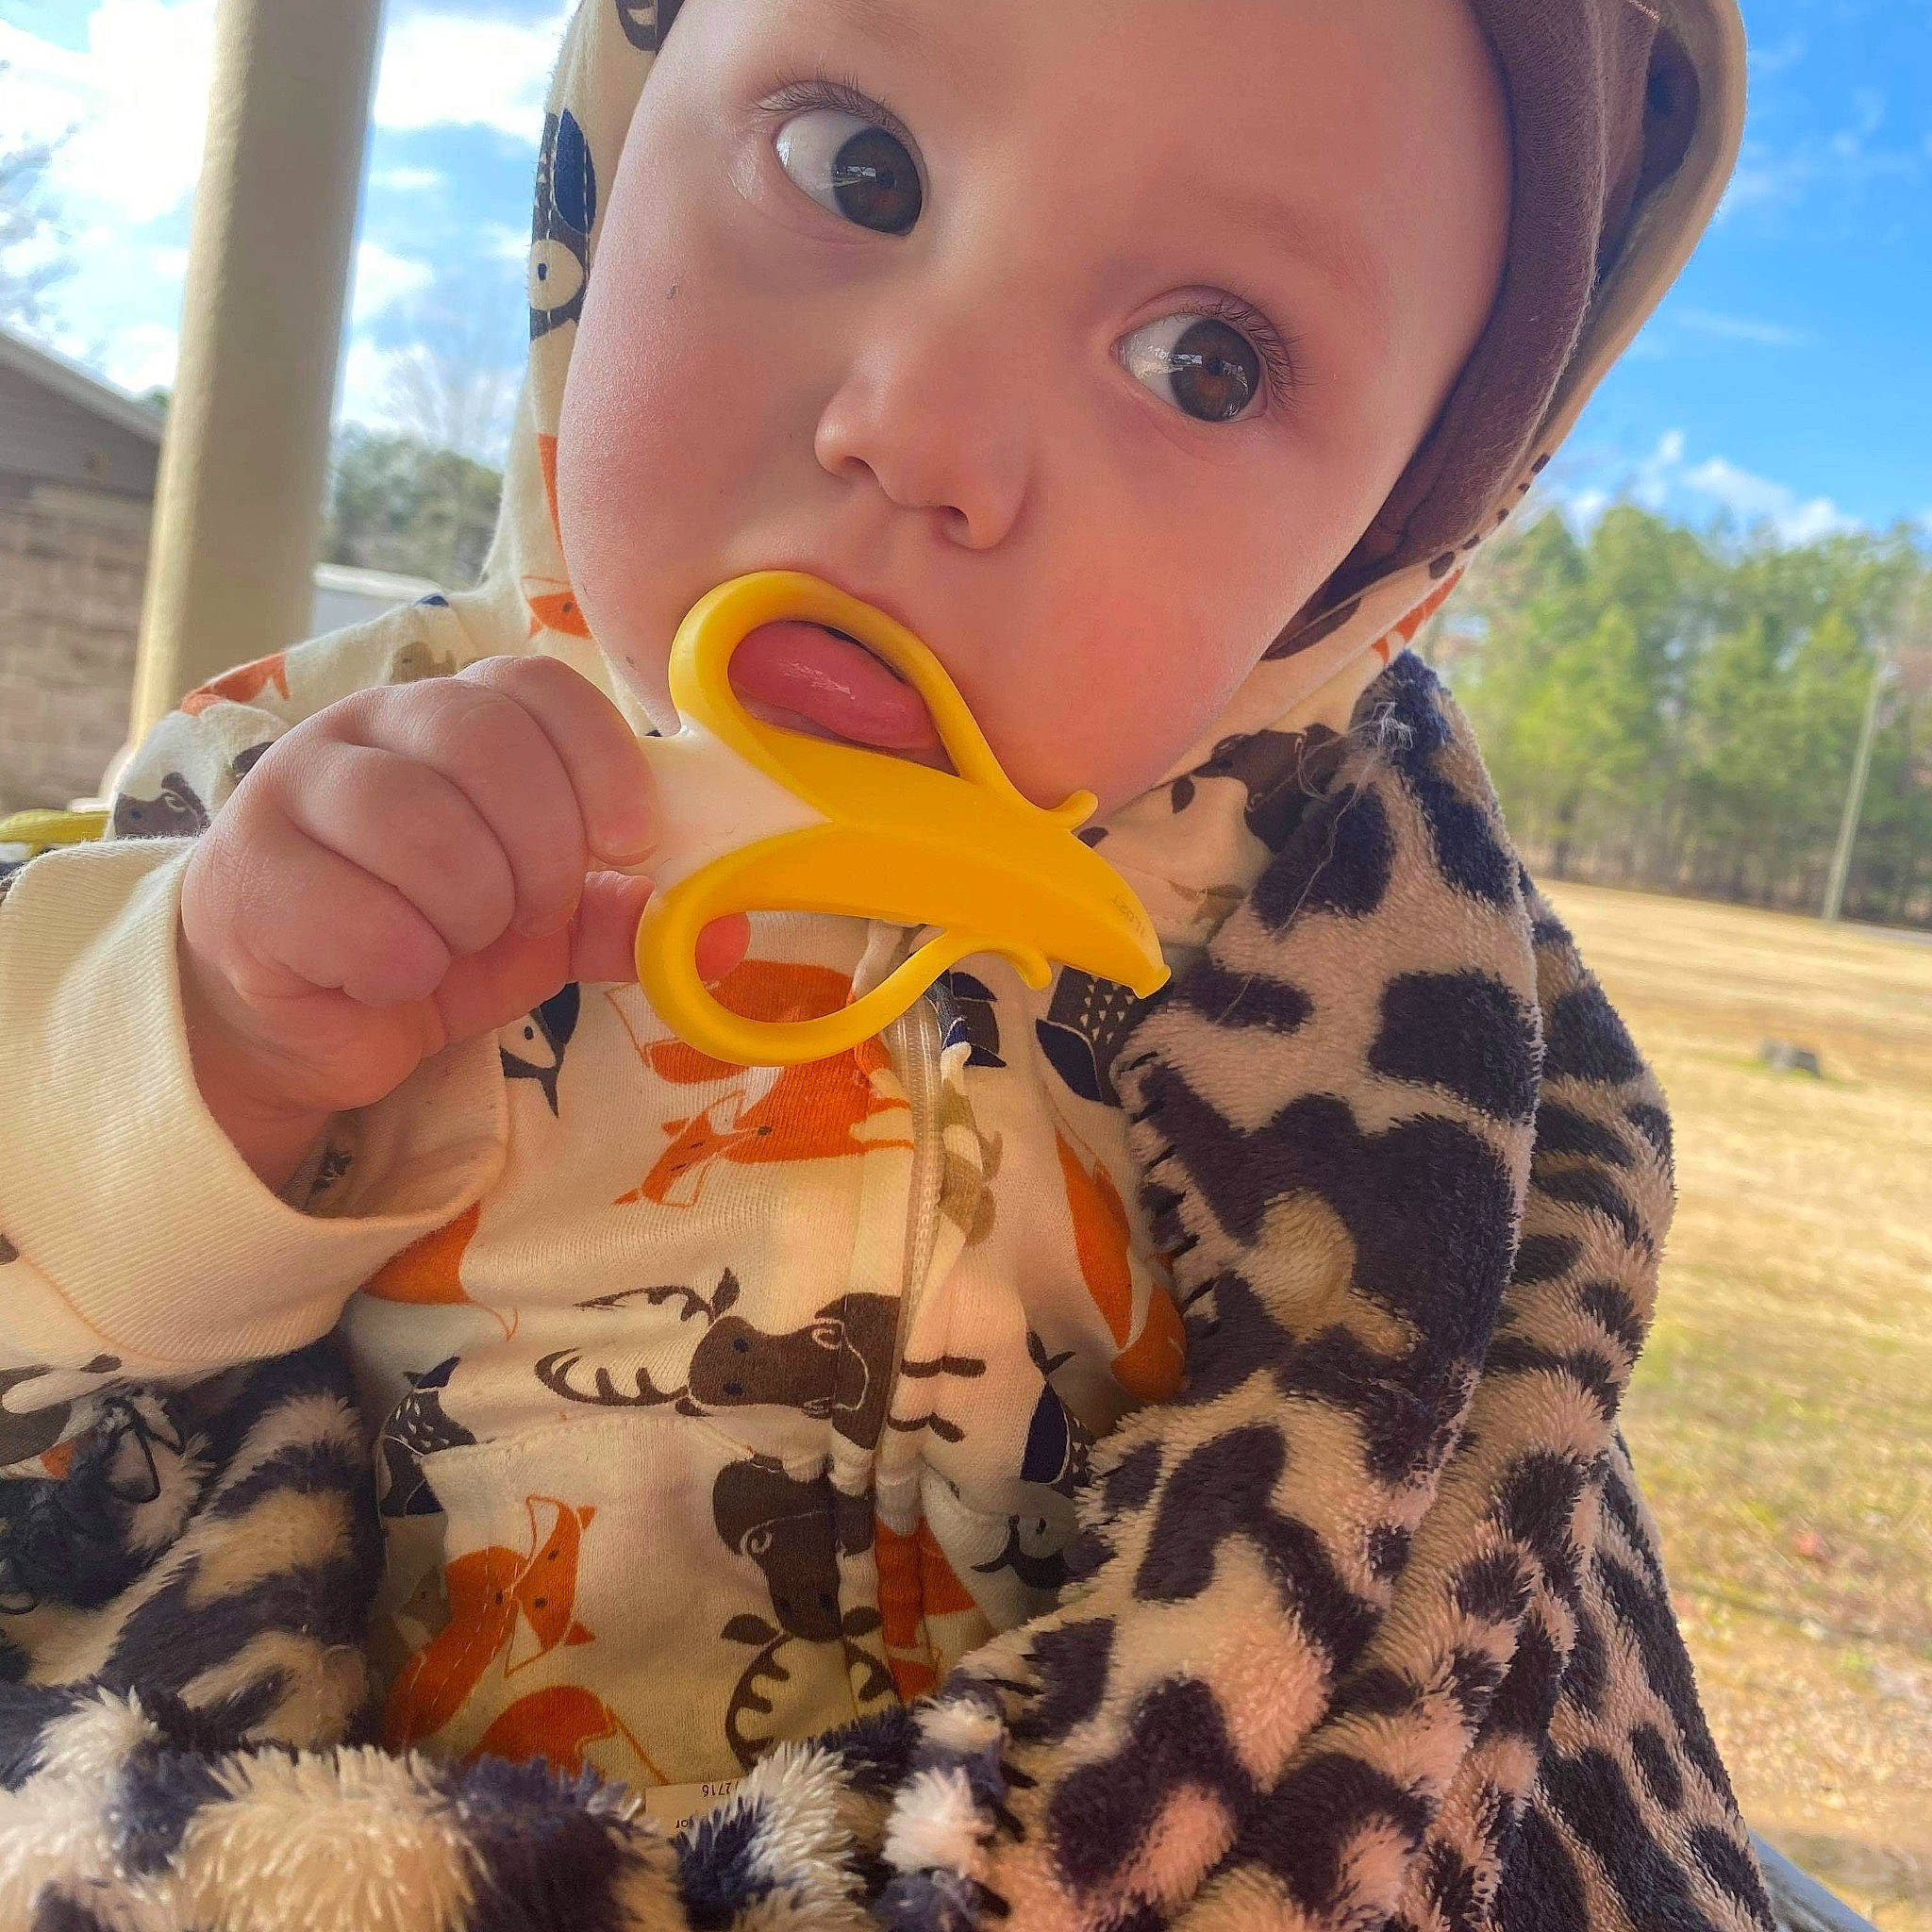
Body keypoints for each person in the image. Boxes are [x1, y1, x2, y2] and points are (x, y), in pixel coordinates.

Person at [0, 3, 1771, 1924]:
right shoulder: (317, 785)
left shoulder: (1355, 950)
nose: (921, 430)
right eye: (860, 168)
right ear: (618, 131)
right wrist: (228, 1037)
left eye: (1203, 362)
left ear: (1380, 558)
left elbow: (1467, 1487)